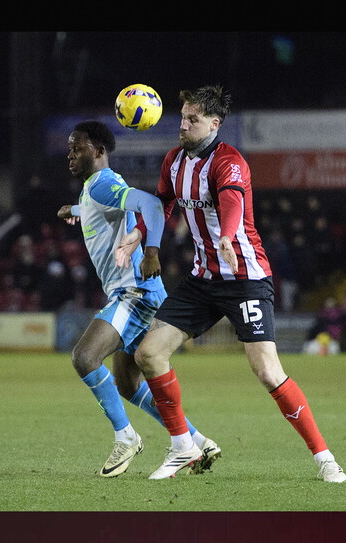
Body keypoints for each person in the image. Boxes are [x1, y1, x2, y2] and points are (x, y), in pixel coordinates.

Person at [116, 85, 346, 482]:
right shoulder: (174, 161)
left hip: (245, 277)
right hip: (204, 278)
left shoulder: (230, 161)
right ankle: (183, 447)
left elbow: (234, 201)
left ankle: (325, 457)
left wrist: (226, 234)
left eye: (193, 119)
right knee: (149, 354)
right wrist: (140, 232)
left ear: (214, 124)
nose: (183, 125)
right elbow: (162, 204)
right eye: (183, 117)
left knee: (267, 372)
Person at [57, 120, 220, 478]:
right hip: (140, 292)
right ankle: (196, 440)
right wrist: (77, 210)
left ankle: (126, 438)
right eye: (69, 148)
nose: (70, 154)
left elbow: (149, 204)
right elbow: (114, 211)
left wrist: (151, 252)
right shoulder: (93, 190)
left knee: (85, 357)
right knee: (128, 383)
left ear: (98, 152)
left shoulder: (103, 183)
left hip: (135, 292)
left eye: (77, 147)